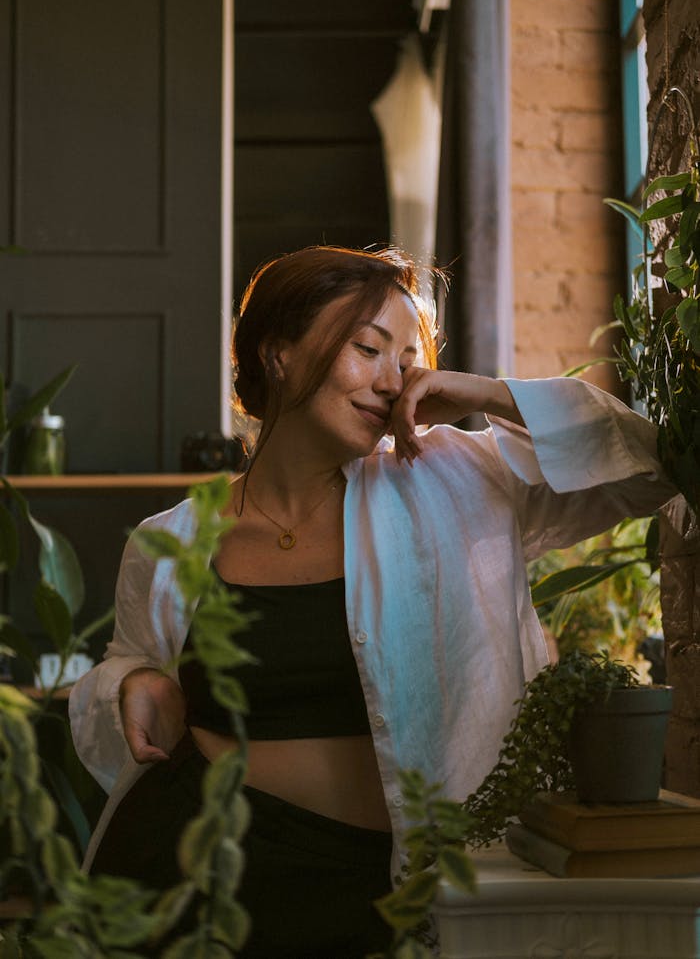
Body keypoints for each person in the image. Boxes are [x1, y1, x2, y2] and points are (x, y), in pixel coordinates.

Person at [69, 245, 676, 958]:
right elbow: (124, 667)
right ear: (279, 354)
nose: (393, 381)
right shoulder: (169, 541)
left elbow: (648, 469)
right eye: (369, 349)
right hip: (198, 878)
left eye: (408, 359)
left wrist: (483, 394)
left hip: (393, 887)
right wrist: (132, 683)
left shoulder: (457, 479)